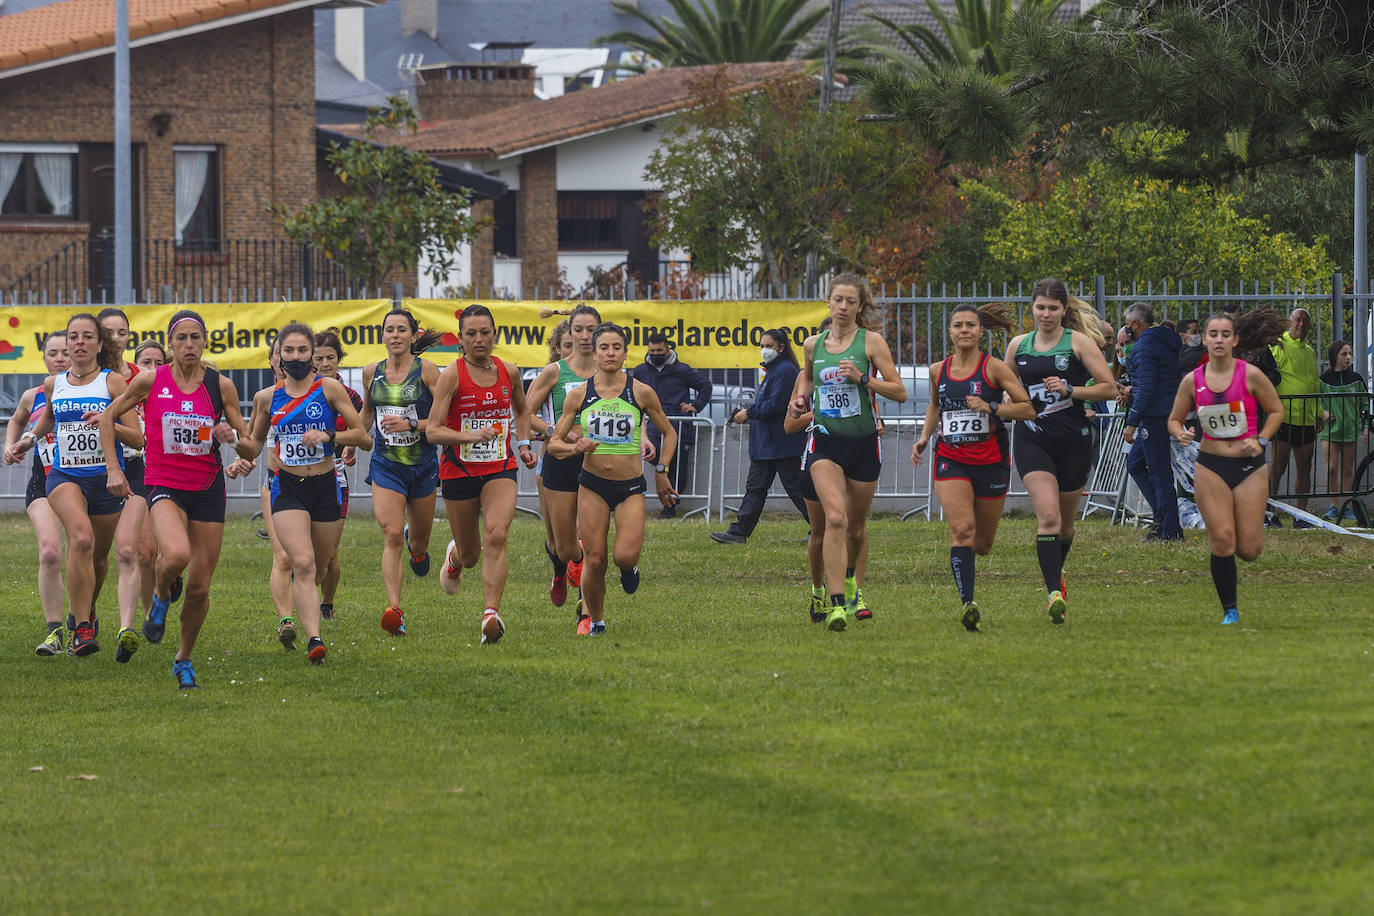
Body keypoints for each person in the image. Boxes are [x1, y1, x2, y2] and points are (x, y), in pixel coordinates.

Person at [100, 309, 254, 687]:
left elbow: (250, 443)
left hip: (207, 489)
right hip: (163, 483)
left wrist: (231, 438)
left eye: (195, 338)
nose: (188, 345)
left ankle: (183, 659)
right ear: (170, 343)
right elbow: (107, 418)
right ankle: (160, 596)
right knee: (178, 555)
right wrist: (114, 470)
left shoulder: (221, 386)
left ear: (204, 343)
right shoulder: (151, 380)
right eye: (181, 338)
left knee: (200, 586)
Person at [5, 314, 144, 658]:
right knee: (80, 538)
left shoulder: (113, 384)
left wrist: (107, 419)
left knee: (98, 558)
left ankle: (87, 611)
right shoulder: (54, 385)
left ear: (99, 345)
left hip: (106, 480)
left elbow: (138, 438)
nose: (79, 342)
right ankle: (82, 629)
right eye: (73, 337)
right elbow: (49, 419)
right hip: (64, 477)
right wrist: (27, 439)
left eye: (87, 336)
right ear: (66, 345)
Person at [241, 323, 369, 662]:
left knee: (323, 565)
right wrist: (234, 445)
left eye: (302, 351)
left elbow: (363, 437)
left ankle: (310, 608)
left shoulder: (328, 389)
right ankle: (314, 639)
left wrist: (329, 436)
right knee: (302, 561)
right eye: (289, 351)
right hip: (288, 488)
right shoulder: (266, 398)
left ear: (312, 354)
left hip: (325, 486)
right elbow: (252, 444)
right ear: (278, 356)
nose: (296, 357)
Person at [788, 273, 906, 631]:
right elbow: (808, 377)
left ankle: (853, 582)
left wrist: (863, 378)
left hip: (864, 444)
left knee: (855, 529)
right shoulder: (813, 344)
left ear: (859, 307)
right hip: (825, 442)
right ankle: (837, 603)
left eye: (850, 301)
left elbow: (899, 391)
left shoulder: (871, 343)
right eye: (837, 300)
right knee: (834, 518)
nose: (842, 307)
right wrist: (800, 400)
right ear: (828, 302)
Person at [548, 322, 679, 635]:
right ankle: (596, 620)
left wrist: (661, 471)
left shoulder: (641, 392)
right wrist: (574, 446)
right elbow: (554, 444)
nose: (610, 353)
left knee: (622, 555)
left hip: (630, 488)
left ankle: (629, 566)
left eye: (616, 347)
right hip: (592, 485)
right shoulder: (580, 395)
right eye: (604, 347)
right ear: (594, 353)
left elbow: (669, 432)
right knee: (594, 560)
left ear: (625, 353)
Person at [912, 303, 1035, 631]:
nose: (964, 330)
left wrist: (992, 406)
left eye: (970, 325)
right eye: (958, 325)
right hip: (950, 459)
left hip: (991, 463)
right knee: (962, 530)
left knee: (982, 544)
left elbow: (1028, 409)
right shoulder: (938, 370)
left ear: (981, 331)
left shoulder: (994, 368)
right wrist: (925, 438)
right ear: (950, 332)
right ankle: (968, 603)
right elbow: (935, 407)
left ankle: (969, 575)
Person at [1008, 278, 1117, 624]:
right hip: (1032, 439)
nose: (1046, 314)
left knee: (1066, 527)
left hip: (1073, 442)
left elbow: (1109, 389)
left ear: (1064, 311)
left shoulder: (1079, 343)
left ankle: (1057, 574)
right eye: (1040, 307)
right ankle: (1054, 591)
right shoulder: (1018, 347)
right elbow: (1006, 390)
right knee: (1049, 518)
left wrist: (1071, 389)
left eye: (1053, 308)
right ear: (1032, 308)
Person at [427, 305, 538, 644]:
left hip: (500, 466)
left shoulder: (510, 371)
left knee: (497, 534)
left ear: (495, 334)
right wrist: (469, 436)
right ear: (460, 339)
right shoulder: (452, 375)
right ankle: (455, 557)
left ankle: (491, 613)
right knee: (471, 553)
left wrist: (522, 444)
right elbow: (433, 431)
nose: (479, 339)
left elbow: (521, 410)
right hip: (459, 469)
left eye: (485, 332)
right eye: (471, 333)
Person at [1168, 312, 1283, 624]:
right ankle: (1229, 610)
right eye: (1213, 334)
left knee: (1248, 550)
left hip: (1249, 467)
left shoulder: (1250, 375)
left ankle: (1241, 519)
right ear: (1204, 339)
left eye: (1224, 334)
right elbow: (1175, 418)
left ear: (1235, 340)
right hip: (1211, 465)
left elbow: (1276, 411)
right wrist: (1180, 432)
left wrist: (1260, 439)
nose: (1218, 339)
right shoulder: (1194, 379)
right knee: (1221, 540)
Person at [360, 308, 444, 636]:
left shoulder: (429, 372)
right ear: (382, 336)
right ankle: (395, 609)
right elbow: (367, 412)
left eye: (401, 330)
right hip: (386, 464)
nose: (394, 335)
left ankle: (417, 546)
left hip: (422, 465)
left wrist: (412, 423)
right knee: (391, 533)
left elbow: (443, 421)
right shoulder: (372, 373)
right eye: (389, 330)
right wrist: (353, 441)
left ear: (413, 334)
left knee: (418, 543)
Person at [524, 304, 601, 618]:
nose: (584, 337)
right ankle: (559, 567)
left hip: (596, 463)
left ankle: (586, 609)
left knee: (589, 539)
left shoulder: (608, 370)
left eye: (591, 330)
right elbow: (526, 414)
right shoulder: (554, 372)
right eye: (578, 331)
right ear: (568, 334)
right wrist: (555, 430)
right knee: (564, 546)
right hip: (557, 459)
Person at [709, 329, 808, 544]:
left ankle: (824, 527)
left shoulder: (784, 370)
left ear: (781, 347)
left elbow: (777, 405)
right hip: (768, 444)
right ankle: (738, 532)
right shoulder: (775, 370)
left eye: (769, 346)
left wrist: (749, 412)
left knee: (795, 488)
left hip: (781, 443)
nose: (764, 350)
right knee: (756, 488)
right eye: (762, 345)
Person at [4, 332, 70, 655]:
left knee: (87, 553)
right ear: (44, 359)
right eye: (53, 353)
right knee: (49, 552)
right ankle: (55, 632)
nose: (59, 359)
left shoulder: (92, 391)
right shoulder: (33, 395)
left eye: (65, 353)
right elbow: (16, 421)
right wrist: (9, 445)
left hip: (82, 481)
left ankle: (83, 619)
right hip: (43, 481)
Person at [96, 307, 153, 661]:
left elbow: (141, 434)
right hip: (92, 473)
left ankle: (128, 628)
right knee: (93, 555)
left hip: (135, 469)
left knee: (134, 551)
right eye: (110, 332)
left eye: (123, 333)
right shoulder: (88, 377)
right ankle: (82, 617)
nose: (117, 339)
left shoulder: (139, 377)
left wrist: (108, 423)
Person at [312, 330, 364, 620]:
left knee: (329, 550)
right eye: (318, 358)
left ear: (339, 359)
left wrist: (349, 446)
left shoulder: (352, 396)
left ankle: (327, 605)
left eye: (330, 357)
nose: (324, 363)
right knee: (304, 550)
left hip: (336, 481)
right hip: (300, 478)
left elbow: (363, 428)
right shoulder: (300, 393)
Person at [1121, 301, 1184, 542]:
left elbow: (1147, 388)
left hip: (1154, 415)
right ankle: (1161, 517)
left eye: (1128, 325)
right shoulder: (1164, 340)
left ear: (1136, 324)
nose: (1127, 330)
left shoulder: (1144, 347)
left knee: (1160, 474)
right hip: (1166, 410)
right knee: (1135, 464)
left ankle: (1170, 530)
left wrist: (1132, 421)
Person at [632, 332, 712, 518]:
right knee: (654, 455)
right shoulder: (640, 371)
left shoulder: (682, 370)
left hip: (680, 428)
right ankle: (663, 471)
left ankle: (670, 508)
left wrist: (696, 406)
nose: (656, 353)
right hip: (652, 427)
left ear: (668, 350)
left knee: (678, 470)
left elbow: (705, 386)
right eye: (652, 350)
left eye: (660, 350)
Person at [1268, 307, 1322, 526]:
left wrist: (1318, 412)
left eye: (1306, 321)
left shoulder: (1310, 351)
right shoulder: (1277, 345)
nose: (1302, 324)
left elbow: (1314, 383)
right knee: (1278, 466)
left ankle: (1302, 516)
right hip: (1284, 417)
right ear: (1290, 321)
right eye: (1298, 320)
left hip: (1307, 419)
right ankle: (1272, 513)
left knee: (1305, 467)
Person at [130, 338, 168, 619]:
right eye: (146, 363)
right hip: (136, 474)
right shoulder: (125, 392)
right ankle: (150, 613)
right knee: (144, 553)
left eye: (158, 363)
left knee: (167, 552)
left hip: (170, 475)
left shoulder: (172, 394)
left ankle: (169, 577)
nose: (152, 369)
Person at [1319, 340, 1367, 522]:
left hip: (1350, 431)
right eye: (1344, 354)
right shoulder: (1323, 380)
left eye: (1350, 354)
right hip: (1330, 432)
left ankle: (1347, 507)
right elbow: (1316, 403)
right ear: (1334, 357)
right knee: (1332, 468)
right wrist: (1322, 413)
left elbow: (1365, 403)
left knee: (1348, 469)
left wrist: (1365, 426)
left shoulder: (1356, 379)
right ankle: (1333, 506)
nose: (1348, 358)